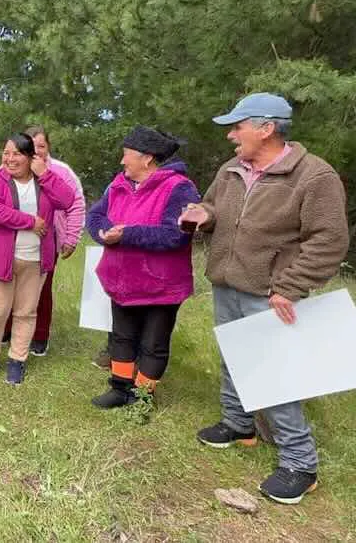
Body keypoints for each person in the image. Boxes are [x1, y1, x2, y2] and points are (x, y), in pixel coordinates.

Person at [180, 93, 349, 505]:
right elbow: (215, 207)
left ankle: (299, 463)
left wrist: (289, 286)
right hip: (227, 281)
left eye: (237, 127)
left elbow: (330, 240)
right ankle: (239, 425)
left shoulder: (314, 176)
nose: (231, 136)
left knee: (275, 374)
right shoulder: (231, 169)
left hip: (272, 292)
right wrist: (204, 216)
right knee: (233, 356)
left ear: (267, 128)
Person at [86, 126, 200, 408]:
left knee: (153, 344)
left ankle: (142, 397)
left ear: (146, 158)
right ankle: (120, 388)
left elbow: (177, 234)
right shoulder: (118, 183)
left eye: (126, 155)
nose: (122, 161)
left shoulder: (179, 188)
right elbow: (96, 214)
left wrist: (127, 234)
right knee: (122, 337)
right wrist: (103, 232)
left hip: (161, 284)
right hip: (122, 279)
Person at [0, 133, 75, 385]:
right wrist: (30, 222)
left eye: (16, 154)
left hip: (35, 259)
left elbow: (67, 200)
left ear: (31, 157)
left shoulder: (45, 180)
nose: (9, 159)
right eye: (6, 153)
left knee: (26, 312)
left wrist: (46, 175)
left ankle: (17, 360)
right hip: (0, 258)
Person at [21, 125, 85, 357]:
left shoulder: (60, 171)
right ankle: (9, 330)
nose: (36, 150)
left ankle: (40, 335)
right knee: (12, 284)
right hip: (17, 236)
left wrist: (72, 237)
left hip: (48, 237)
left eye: (41, 146)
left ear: (48, 148)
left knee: (41, 287)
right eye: (31, 145)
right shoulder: (12, 165)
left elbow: (75, 203)